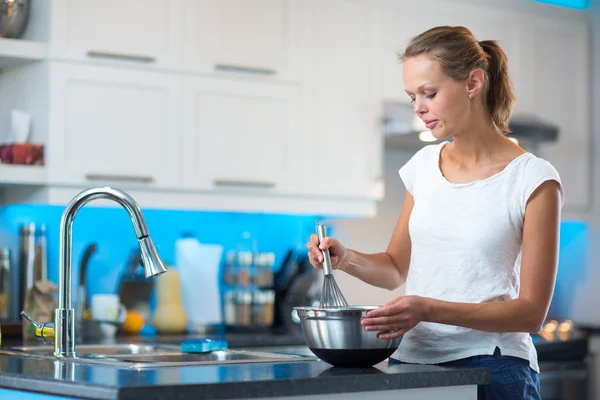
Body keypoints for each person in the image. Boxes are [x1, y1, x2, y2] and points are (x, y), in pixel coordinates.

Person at [306, 26, 562, 400]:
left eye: (430, 93)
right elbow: (395, 266)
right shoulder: (422, 167)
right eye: (412, 97)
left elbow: (530, 314)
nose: (419, 108)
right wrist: (346, 259)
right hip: (411, 365)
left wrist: (426, 308)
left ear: (473, 82)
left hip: (492, 368)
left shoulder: (533, 178)